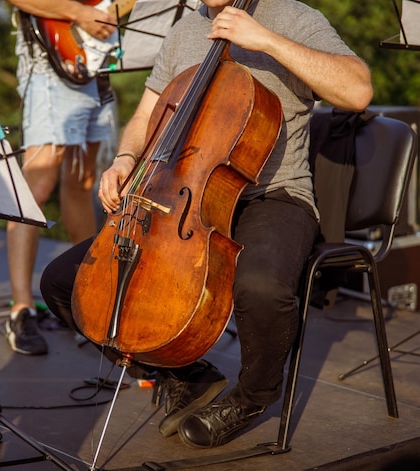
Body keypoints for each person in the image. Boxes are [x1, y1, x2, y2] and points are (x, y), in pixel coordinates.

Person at [40, 0, 372, 448]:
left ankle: (252, 395)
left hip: (271, 195)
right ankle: (187, 375)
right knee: (65, 282)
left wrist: (266, 40)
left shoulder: (292, 16)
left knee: (260, 287)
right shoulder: (184, 29)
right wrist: (123, 160)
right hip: (180, 196)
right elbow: (147, 115)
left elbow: (357, 91)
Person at [2, 0, 117, 355]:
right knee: (36, 187)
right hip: (51, 69)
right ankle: (21, 308)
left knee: (82, 183)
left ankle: (84, 297)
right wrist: (81, 14)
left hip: (97, 68)